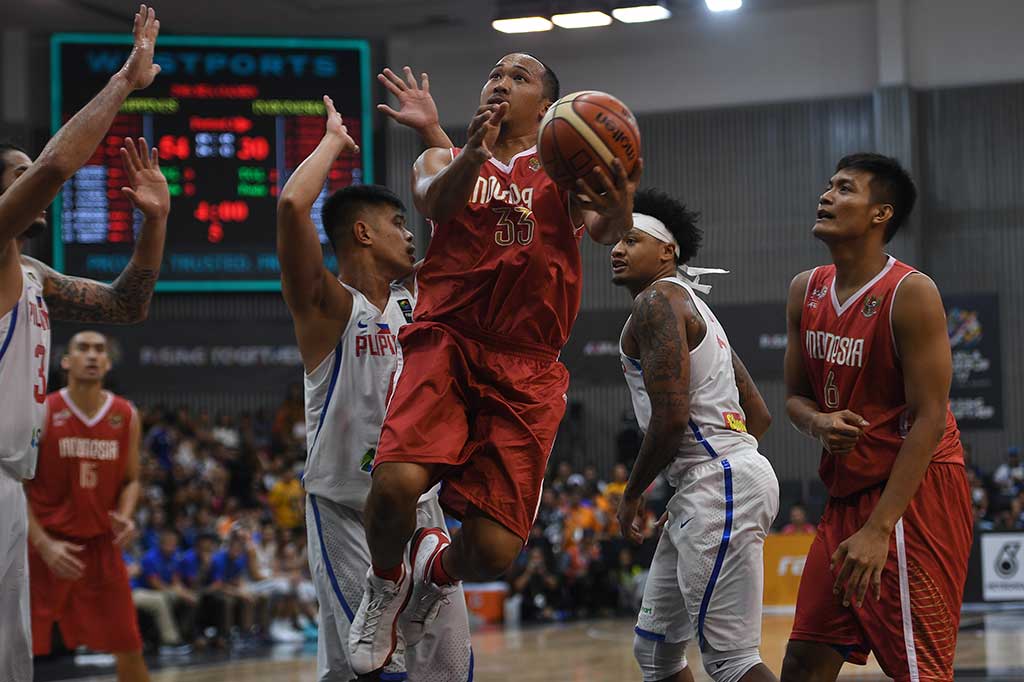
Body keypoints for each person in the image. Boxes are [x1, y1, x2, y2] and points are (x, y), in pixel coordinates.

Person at [350, 52, 641, 675]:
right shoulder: (445, 158)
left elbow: (605, 226)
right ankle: (382, 586)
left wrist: (619, 205)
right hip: (448, 340)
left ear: (550, 107)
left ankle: (435, 571)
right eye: (495, 74)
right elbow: (435, 201)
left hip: (529, 364)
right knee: (397, 483)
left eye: (520, 77)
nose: (501, 81)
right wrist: (469, 153)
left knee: (492, 551)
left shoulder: (564, 171)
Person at [276, 71, 472, 680]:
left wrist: (433, 131)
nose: (413, 236)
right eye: (399, 225)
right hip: (345, 510)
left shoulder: (420, 299)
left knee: (446, 668)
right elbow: (290, 206)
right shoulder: (329, 308)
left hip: (422, 507)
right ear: (362, 232)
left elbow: (469, 215)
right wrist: (332, 141)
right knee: (370, 672)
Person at [0, 7, 166, 680]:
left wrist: (154, 223)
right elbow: (55, 167)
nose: (29, 174)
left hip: (12, 482)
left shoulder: (33, 275)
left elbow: (127, 305)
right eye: (13, 172)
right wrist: (125, 81)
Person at [781, 154, 972, 681]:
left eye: (844, 189)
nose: (826, 196)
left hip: (914, 492)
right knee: (802, 660)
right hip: (845, 496)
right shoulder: (806, 289)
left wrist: (879, 527)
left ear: (879, 214)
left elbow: (931, 416)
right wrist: (818, 423)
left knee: (919, 672)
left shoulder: (910, 293)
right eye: (828, 185)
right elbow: (795, 397)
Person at [611, 189, 779, 682]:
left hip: (716, 481)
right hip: (711, 483)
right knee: (657, 654)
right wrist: (698, 487)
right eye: (615, 242)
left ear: (668, 251)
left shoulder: (657, 302)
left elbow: (670, 420)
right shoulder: (695, 308)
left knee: (732, 660)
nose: (617, 250)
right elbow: (759, 415)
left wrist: (633, 494)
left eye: (631, 240)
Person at [24, 331, 149, 679]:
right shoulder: (43, 411)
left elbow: (132, 480)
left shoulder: (125, 415)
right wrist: (44, 545)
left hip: (99, 548)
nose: (92, 355)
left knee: (129, 645)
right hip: (45, 547)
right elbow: (17, 487)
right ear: (66, 361)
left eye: (100, 350)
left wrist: (125, 516)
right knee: (14, 648)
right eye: (83, 348)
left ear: (108, 363)